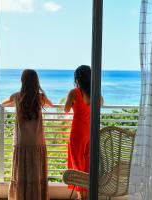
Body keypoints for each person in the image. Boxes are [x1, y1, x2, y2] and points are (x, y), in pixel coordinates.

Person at [2, 69, 53, 200]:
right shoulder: (40, 97)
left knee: (22, 172)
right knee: (36, 171)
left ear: (22, 81)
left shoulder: (17, 96)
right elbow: (51, 105)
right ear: (36, 82)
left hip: (22, 141)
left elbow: (2, 103)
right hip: (37, 141)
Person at [64, 65, 103, 199]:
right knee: (88, 164)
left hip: (77, 133)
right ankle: (88, 193)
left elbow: (66, 109)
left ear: (77, 78)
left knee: (77, 164)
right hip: (90, 132)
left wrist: (74, 104)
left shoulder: (74, 92)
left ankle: (81, 196)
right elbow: (101, 103)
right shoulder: (95, 92)